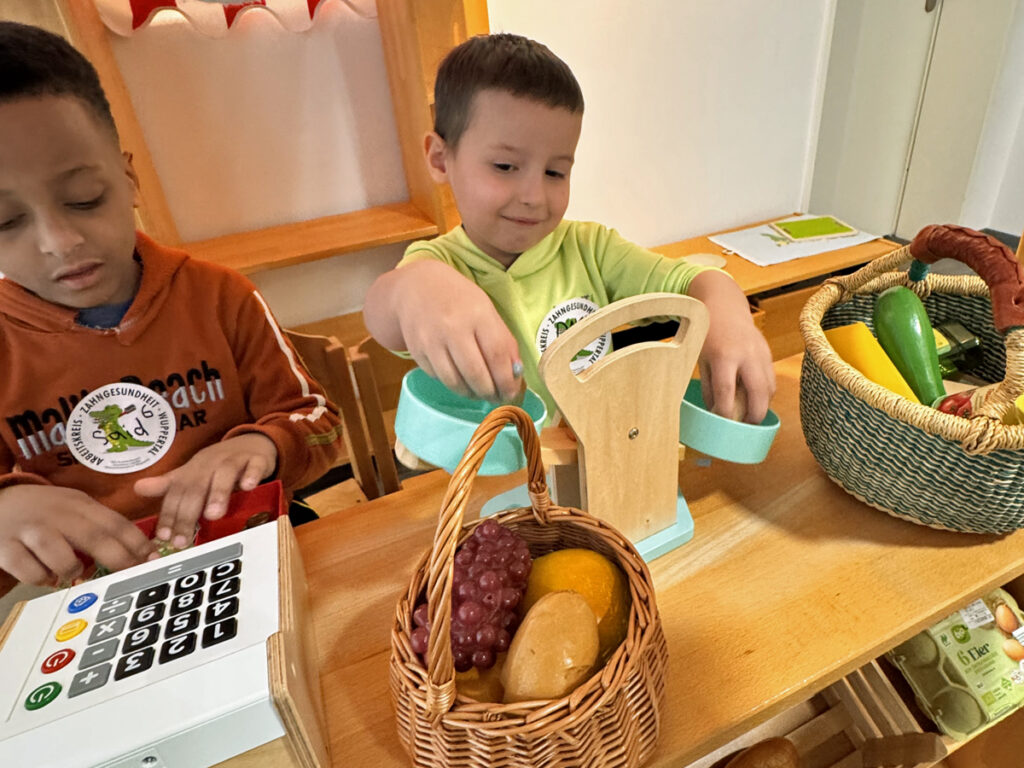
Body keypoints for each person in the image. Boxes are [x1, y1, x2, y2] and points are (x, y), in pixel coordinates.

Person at [0, 22, 343, 588]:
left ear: (129, 178)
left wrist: (263, 443)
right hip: (98, 594)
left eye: (86, 198)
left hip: (254, 544)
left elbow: (321, 425)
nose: (59, 240)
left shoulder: (220, 297)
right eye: (7, 221)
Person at [364, 33, 775, 426]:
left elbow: (696, 280)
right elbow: (384, 310)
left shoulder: (591, 249)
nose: (534, 195)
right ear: (440, 159)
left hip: (599, 465)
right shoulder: (437, 264)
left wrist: (729, 316)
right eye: (505, 166)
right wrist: (416, 290)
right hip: (497, 481)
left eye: (555, 172)